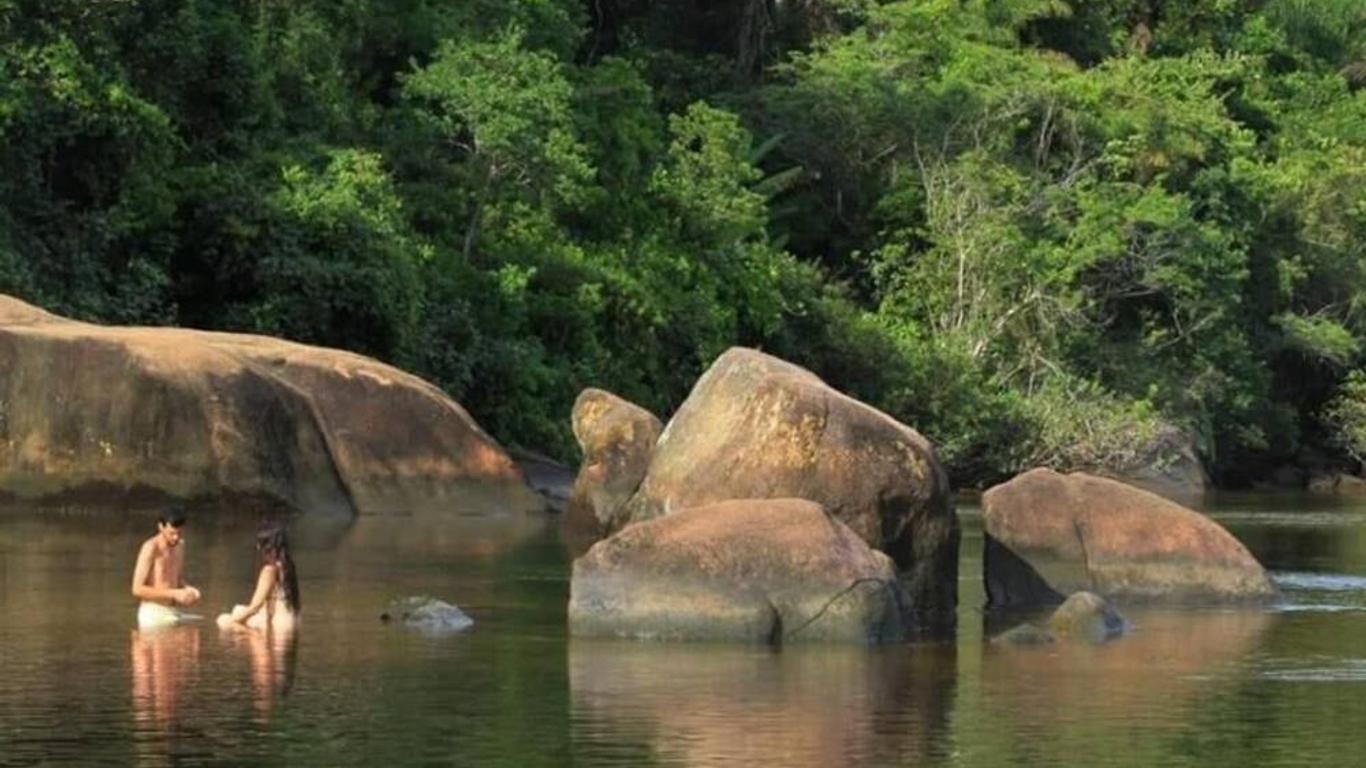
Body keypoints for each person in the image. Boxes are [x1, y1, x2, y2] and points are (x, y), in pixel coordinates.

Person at [217, 522, 300, 631]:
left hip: (277, 625)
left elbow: (255, 607)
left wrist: (232, 621)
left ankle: (251, 636)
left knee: (223, 619)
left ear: (265, 546)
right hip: (292, 622)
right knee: (239, 609)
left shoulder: (269, 570)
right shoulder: (288, 566)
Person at [131, 510, 201, 628]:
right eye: (171, 533)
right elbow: (137, 589)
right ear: (161, 527)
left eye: (179, 533)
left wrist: (188, 590)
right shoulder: (151, 547)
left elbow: (175, 580)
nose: (176, 537)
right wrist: (174, 594)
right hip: (152, 613)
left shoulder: (180, 546)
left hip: (173, 611)